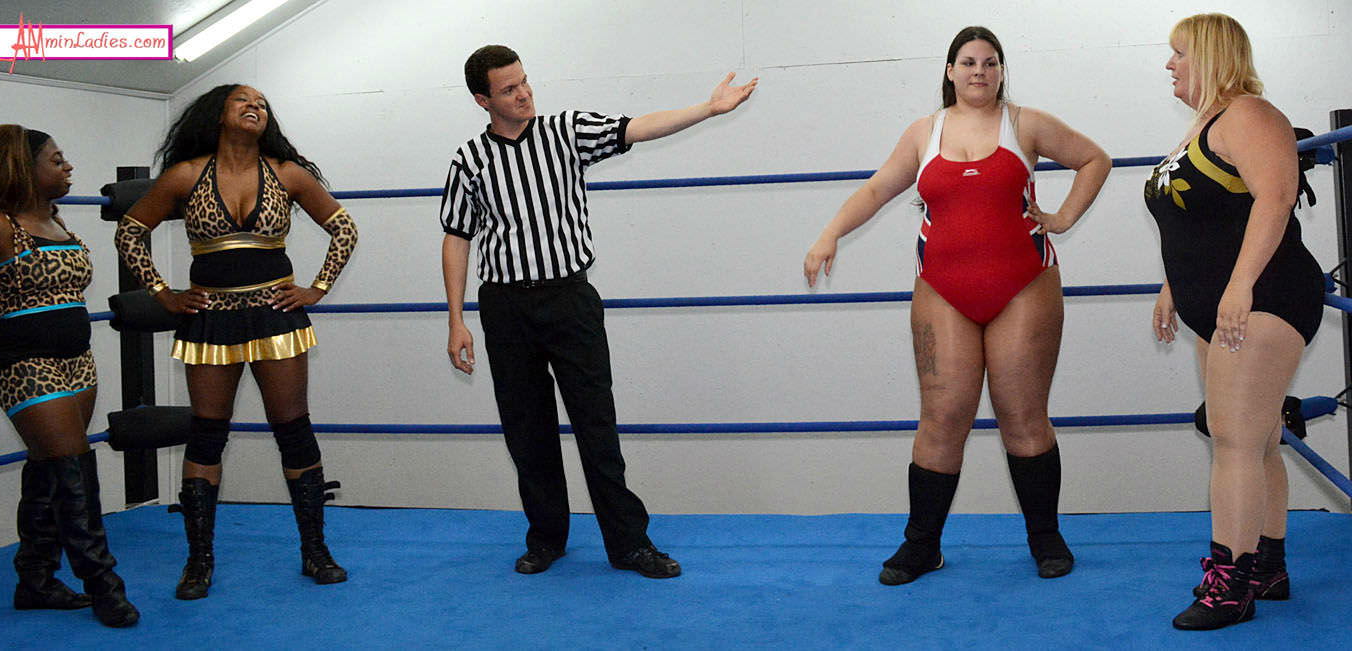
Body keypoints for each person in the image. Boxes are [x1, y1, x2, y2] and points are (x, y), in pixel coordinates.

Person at [804, 26, 1111, 585]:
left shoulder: (1026, 124)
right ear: (950, 71)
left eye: (990, 63)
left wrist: (1064, 217)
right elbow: (876, 189)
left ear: (1001, 71)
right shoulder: (923, 132)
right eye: (968, 62)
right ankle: (921, 544)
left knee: (1023, 417)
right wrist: (830, 234)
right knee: (942, 419)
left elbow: (1094, 159)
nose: (979, 72)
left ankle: (1046, 537)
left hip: (1024, 286)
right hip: (942, 291)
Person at [441, 44, 756, 578]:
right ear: (482, 100)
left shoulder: (565, 131)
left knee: (596, 424)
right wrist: (455, 320)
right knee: (526, 431)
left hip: (570, 299)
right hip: (506, 306)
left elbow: (638, 127)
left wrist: (707, 108)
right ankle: (546, 538)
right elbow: (456, 237)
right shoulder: (468, 160)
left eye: (525, 82)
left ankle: (629, 543)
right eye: (509, 89)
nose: (524, 94)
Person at [116, 84, 359, 599]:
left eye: (262, 104)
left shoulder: (287, 173)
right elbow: (130, 232)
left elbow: (345, 229)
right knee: (207, 435)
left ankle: (315, 551)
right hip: (211, 320)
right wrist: (162, 294)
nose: (255, 107)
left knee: (294, 431)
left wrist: (317, 288)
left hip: (276, 316)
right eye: (242, 101)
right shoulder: (186, 174)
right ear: (218, 113)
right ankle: (198, 561)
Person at [1147, 13, 1321, 631]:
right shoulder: (1204, 125)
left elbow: (1275, 198)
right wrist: (1174, 287)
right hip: (1221, 302)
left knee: (1235, 442)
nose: (1169, 64)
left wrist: (1241, 284)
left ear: (1212, 55)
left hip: (1264, 296)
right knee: (1258, 438)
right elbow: (1202, 219)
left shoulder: (1250, 115)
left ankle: (1230, 587)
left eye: (1180, 54)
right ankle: (1267, 568)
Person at [0, 125, 139, 627]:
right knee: (73, 468)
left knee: (49, 471)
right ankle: (104, 586)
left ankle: (35, 581)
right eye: (56, 160)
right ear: (23, 167)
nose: (68, 166)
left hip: (78, 361)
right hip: (25, 364)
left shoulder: (57, 220)